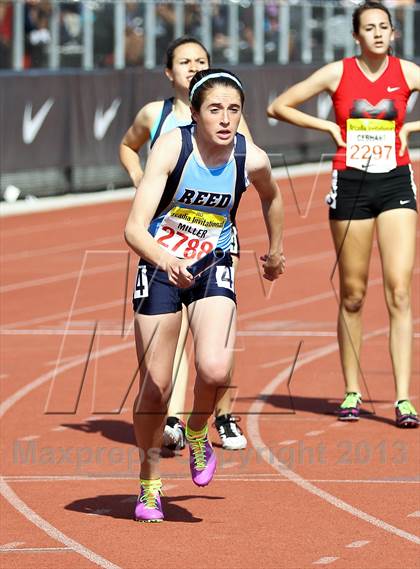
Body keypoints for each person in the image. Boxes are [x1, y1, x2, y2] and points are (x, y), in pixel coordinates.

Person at [124, 68, 285, 522]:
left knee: (214, 367)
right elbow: (133, 229)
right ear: (194, 113)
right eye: (215, 109)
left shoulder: (249, 158)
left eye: (234, 110)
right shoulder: (172, 147)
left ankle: (197, 429)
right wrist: (165, 258)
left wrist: (275, 250)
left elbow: (272, 196)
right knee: (155, 387)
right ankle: (149, 484)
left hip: (212, 263)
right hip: (159, 266)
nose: (225, 118)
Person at [267, 1, 419, 428]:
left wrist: (409, 129)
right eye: (368, 27)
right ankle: (352, 391)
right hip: (351, 184)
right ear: (356, 36)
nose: (376, 33)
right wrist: (329, 129)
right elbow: (278, 106)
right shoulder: (338, 73)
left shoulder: (407, 73)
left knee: (400, 292)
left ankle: (403, 398)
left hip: (395, 183)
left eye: (383, 27)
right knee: (353, 294)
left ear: (393, 33)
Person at [120, 36, 252, 452]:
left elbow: (248, 169)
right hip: (161, 245)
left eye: (201, 60)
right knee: (162, 361)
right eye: (185, 61)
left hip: (213, 246)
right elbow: (127, 147)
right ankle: (171, 422)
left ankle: (220, 416)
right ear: (169, 71)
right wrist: (142, 181)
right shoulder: (156, 118)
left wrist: (227, 224)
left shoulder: (227, 116)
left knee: (213, 353)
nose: (194, 66)